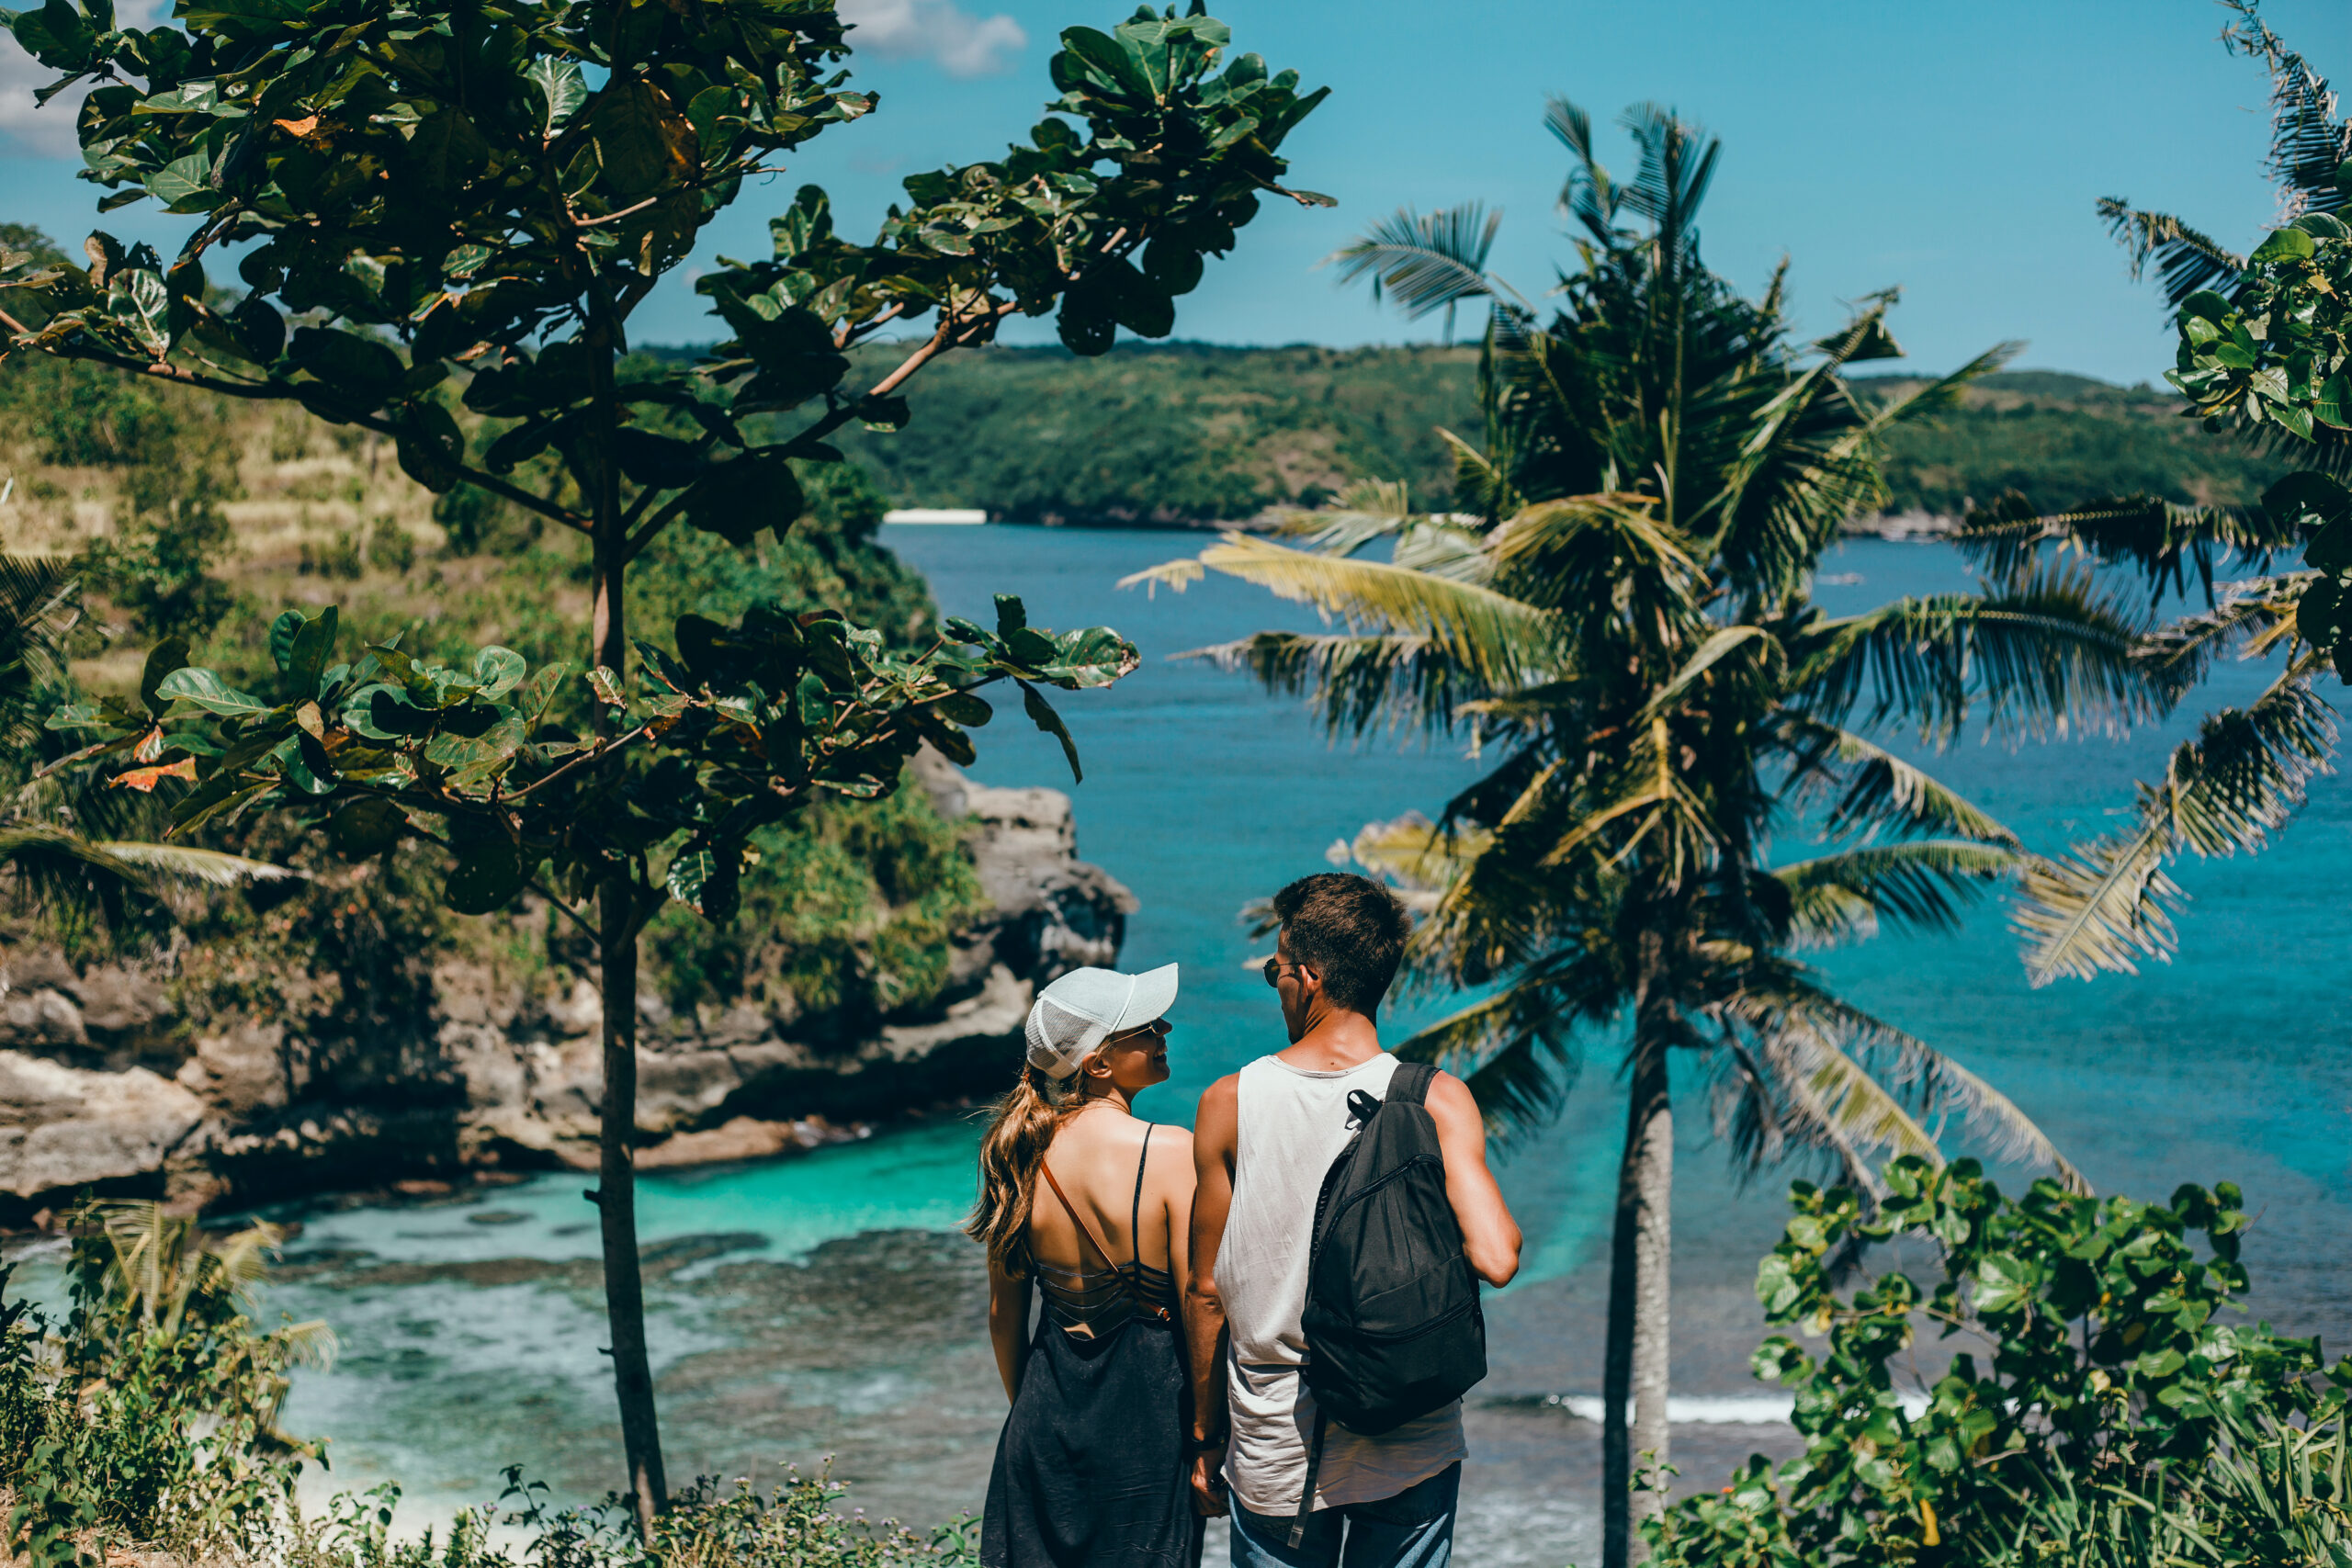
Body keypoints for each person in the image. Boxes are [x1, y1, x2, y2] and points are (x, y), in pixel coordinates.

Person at [1184, 874, 1522, 1568]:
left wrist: (1204, 1437)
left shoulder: (1231, 1101)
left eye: (1277, 970)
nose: (1276, 983)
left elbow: (1206, 1291)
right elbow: (1497, 1254)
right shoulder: (1437, 1097)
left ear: (1307, 978)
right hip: (1410, 1424)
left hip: (1280, 1435)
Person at [970, 962, 1204, 1568]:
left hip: (1043, 1422)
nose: (1165, 1030)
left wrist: (1037, 1414)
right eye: (1147, 1027)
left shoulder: (1019, 1153)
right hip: (1148, 1429)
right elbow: (1199, 1304)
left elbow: (1004, 1319)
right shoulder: (1172, 1150)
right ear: (1099, 1063)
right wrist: (1210, 1430)